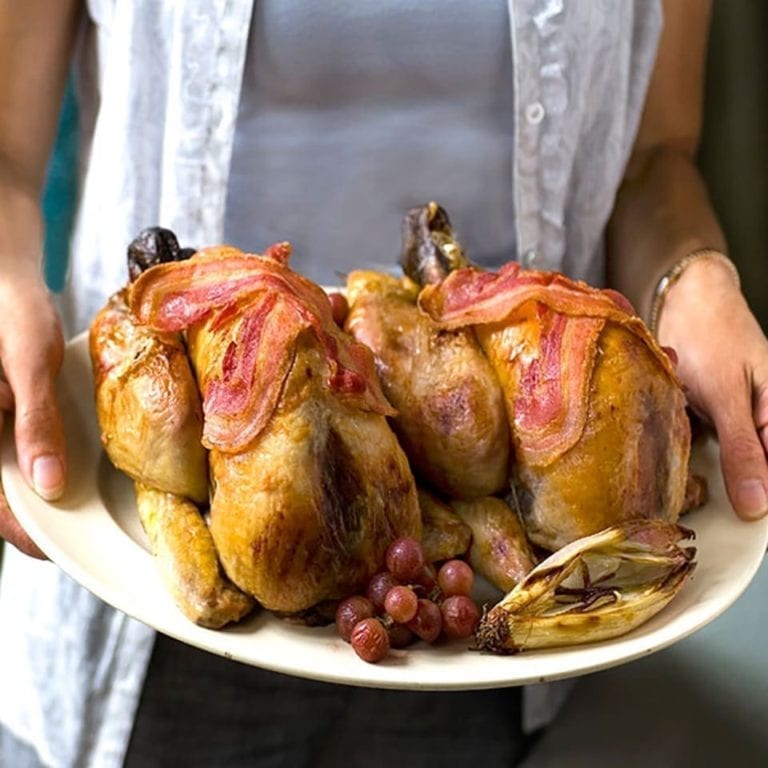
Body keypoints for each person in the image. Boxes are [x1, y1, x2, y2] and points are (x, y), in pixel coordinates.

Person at [1, 1, 766, 767]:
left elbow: (653, 156)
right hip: (134, 596)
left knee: (467, 442)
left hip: (489, 617)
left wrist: (692, 278)